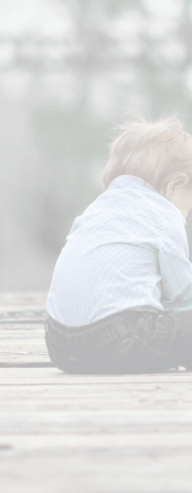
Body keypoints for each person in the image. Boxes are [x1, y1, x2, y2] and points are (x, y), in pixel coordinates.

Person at [45, 115, 192, 373]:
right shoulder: (165, 214)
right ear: (176, 184)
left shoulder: (95, 209)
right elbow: (183, 297)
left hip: (59, 344)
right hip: (119, 340)